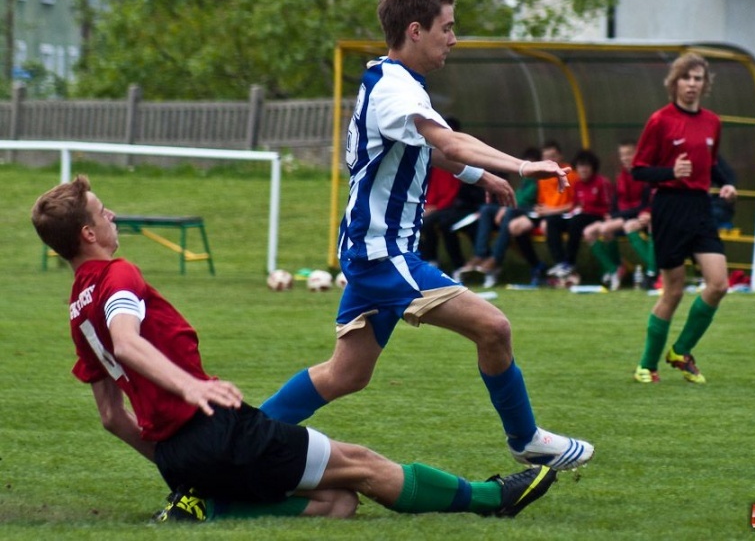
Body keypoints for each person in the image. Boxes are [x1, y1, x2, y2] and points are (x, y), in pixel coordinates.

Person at [30, 175, 558, 523]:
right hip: (216, 429)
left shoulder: (76, 306)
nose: (112, 215)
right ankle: (494, 500)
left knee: (337, 504)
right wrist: (193, 388)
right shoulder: (118, 274)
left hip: (178, 454)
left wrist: (175, 462)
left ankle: (211, 504)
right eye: (103, 213)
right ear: (87, 233)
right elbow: (127, 341)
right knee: (364, 465)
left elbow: (110, 417)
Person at [260, 0, 593, 470]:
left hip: (368, 251)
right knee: (494, 328)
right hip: (383, 254)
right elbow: (447, 142)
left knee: (346, 375)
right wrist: (522, 166)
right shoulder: (398, 92)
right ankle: (526, 439)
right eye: (447, 28)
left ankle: (240, 439)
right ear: (416, 30)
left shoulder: (388, 79)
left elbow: (429, 152)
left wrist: (478, 176)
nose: (453, 39)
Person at [630, 52, 737, 384]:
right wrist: (670, 172)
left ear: (705, 85)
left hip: (701, 207)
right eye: (686, 78)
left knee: (718, 284)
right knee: (673, 292)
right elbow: (639, 170)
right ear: (674, 82)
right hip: (670, 209)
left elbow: (712, 161)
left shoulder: (712, 122)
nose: (692, 84)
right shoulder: (660, 120)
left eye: (698, 78)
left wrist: (727, 183)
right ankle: (646, 366)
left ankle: (681, 350)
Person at [455, 147, 542, 288]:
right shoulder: (525, 181)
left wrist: (507, 208)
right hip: (515, 210)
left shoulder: (539, 181)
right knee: (486, 209)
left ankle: (495, 258)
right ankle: (480, 254)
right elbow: (516, 199)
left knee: (509, 213)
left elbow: (528, 203)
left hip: (530, 213)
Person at [583, 140, 656, 290]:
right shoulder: (621, 176)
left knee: (611, 228)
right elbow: (616, 201)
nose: (625, 158)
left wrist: (619, 215)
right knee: (589, 231)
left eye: (629, 154)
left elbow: (643, 205)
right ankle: (614, 269)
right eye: (622, 154)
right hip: (623, 216)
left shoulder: (645, 174)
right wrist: (611, 214)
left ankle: (652, 269)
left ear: (637, 153)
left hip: (636, 216)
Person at [507, 140, 579, 283]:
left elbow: (574, 204)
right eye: (547, 157)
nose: (551, 160)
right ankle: (537, 266)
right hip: (545, 213)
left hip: (562, 214)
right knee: (515, 226)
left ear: (561, 156)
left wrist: (550, 210)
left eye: (554, 156)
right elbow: (542, 201)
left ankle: (563, 266)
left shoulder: (571, 174)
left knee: (548, 225)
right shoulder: (542, 177)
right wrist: (540, 209)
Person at [419, 116, 484, 273]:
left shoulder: (460, 157)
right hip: (440, 207)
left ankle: (447, 263)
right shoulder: (433, 156)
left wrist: (436, 208)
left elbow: (454, 190)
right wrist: (427, 206)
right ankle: (427, 260)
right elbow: (432, 187)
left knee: (437, 223)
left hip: (455, 207)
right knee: (419, 221)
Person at [545, 149, 613, 280]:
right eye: (580, 166)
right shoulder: (577, 184)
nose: (583, 169)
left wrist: (585, 209)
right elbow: (575, 205)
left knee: (576, 221)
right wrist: (574, 211)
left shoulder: (602, 182)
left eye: (586, 166)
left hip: (595, 217)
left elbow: (608, 208)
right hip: (578, 217)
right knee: (552, 221)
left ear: (593, 167)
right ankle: (560, 262)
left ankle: (570, 262)